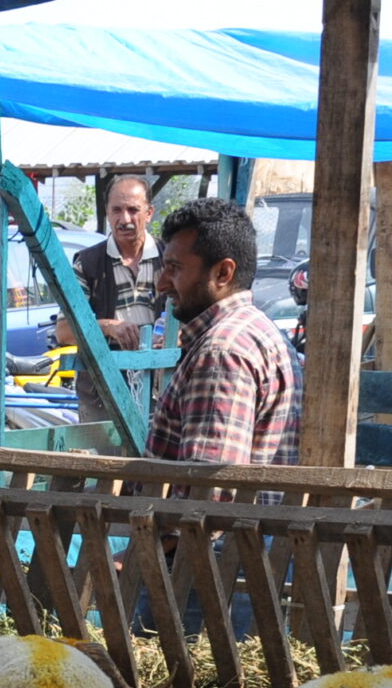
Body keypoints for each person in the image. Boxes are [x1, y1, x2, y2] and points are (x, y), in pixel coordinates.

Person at [148, 196, 299, 470]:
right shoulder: (259, 329)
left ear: (223, 273)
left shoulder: (221, 353)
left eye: (175, 268)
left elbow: (209, 496)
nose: (162, 284)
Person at [57, 175, 161, 432]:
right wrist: (108, 326)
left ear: (149, 213)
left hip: (162, 384)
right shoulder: (88, 262)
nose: (124, 219)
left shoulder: (171, 258)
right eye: (117, 210)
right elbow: (63, 332)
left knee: (158, 464)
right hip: (102, 386)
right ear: (107, 212)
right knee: (104, 463)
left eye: (133, 210)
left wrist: (175, 337)